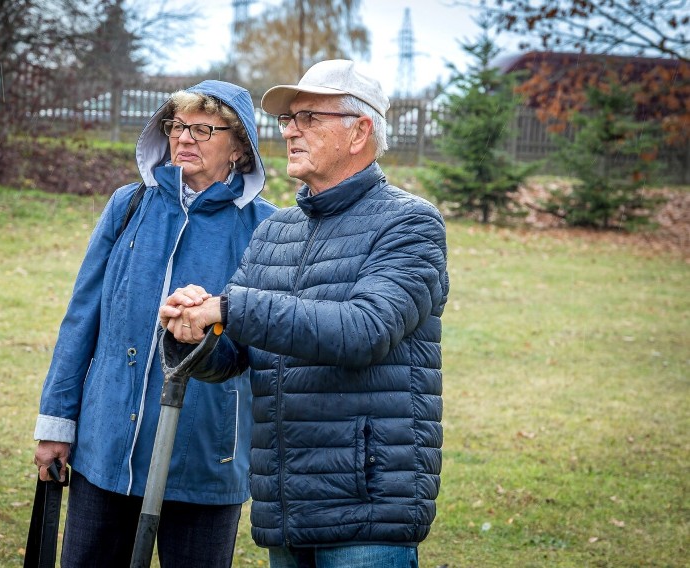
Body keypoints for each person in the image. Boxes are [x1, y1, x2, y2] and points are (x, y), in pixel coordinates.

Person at [159, 60, 449, 568]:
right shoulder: (276, 231)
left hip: (367, 503)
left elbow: (364, 330)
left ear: (359, 131)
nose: (290, 130)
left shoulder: (411, 225)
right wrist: (193, 332)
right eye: (289, 119)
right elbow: (234, 354)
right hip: (286, 502)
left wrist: (227, 307)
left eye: (309, 117)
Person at [32, 80, 277, 567]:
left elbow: (267, 347)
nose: (185, 138)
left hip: (206, 455)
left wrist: (210, 326)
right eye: (177, 125)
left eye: (204, 129)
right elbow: (83, 317)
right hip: (107, 450)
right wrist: (56, 423)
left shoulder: (267, 230)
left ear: (240, 147)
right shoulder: (128, 207)